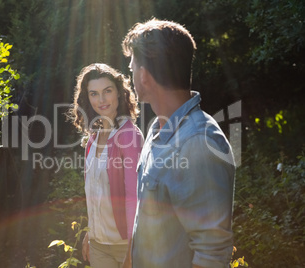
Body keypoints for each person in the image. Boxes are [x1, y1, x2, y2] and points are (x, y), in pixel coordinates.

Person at [121, 18, 235, 268]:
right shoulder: (156, 130)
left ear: (144, 76)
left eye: (132, 70)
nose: (131, 79)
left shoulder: (198, 143)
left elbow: (212, 255)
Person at [68, 63, 143, 268]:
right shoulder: (93, 138)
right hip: (99, 245)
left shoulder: (129, 136)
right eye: (94, 93)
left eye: (107, 91)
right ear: (87, 98)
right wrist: (90, 233)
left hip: (124, 246)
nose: (101, 100)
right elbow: (94, 192)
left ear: (119, 93)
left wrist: (131, 251)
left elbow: (134, 197)